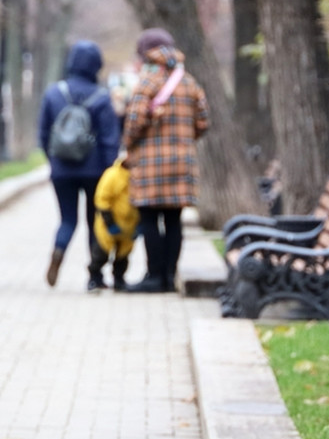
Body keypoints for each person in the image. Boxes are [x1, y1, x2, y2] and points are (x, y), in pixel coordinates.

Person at [123, 27, 209, 293]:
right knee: (173, 220)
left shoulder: (147, 80)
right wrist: (184, 139)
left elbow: (134, 122)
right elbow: (204, 122)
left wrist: (128, 145)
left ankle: (154, 276)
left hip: (150, 164)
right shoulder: (189, 81)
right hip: (182, 163)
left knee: (149, 219)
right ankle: (171, 277)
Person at [37, 40, 122, 291]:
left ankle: (58, 251)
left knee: (67, 220)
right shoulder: (102, 97)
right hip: (95, 170)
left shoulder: (54, 93)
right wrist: (109, 171)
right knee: (95, 221)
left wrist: (53, 160)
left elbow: (43, 133)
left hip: (62, 169)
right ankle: (95, 276)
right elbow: (110, 140)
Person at [92, 155, 140, 291]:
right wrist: (109, 222)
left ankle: (119, 279)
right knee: (100, 253)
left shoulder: (139, 176)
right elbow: (102, 199)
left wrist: (140, 224)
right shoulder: (112, 175)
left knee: (123, 256)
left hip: (129, 226)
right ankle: (94, 277)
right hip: (108, 225)